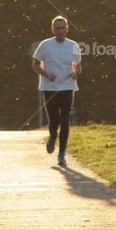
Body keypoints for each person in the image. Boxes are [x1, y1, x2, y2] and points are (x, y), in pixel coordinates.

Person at [32, 15, 81, 167]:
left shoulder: (73, 45)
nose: (60, 31)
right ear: (53, 30)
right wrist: (46, 74)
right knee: (54, 120)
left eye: (63, 28)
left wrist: (75, 73)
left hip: (67, 86)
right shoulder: (45, 45)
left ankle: (61, 154)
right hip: (49, 87)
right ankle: (53, 136)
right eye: (57, 28)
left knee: (65, 119)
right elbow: (35, 64)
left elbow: (78, 66)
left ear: (67, 29)